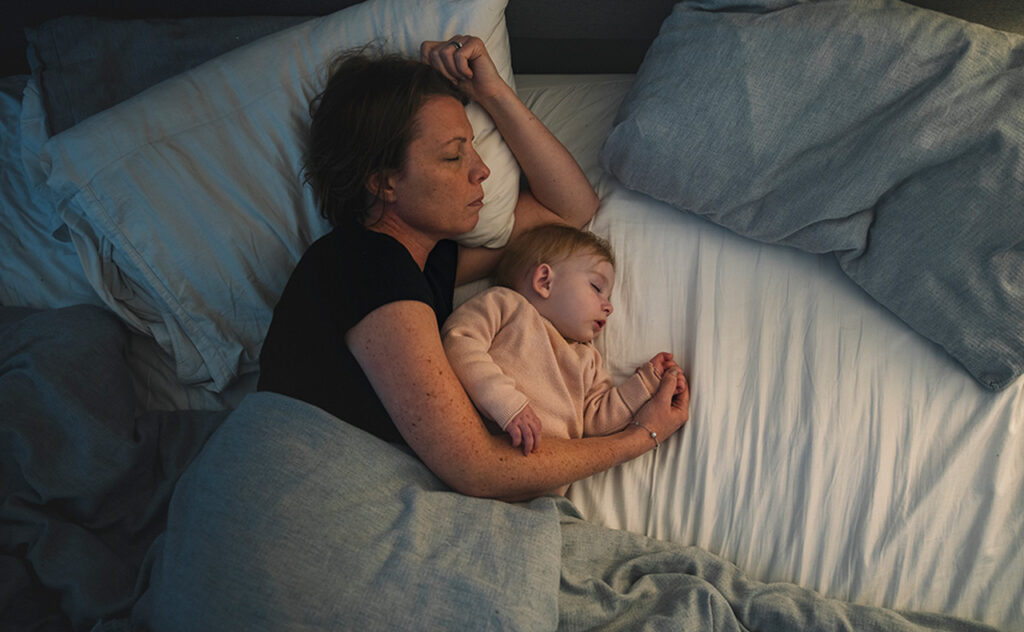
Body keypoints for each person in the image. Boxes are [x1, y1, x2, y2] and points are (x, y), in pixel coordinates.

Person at [258, 35, 689, 501]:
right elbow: (478, 466)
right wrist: (640, 437)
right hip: (295, 490)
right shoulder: (361, 263)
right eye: (453, 154)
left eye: (473, 146)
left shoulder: (428, 266)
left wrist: (494, 93)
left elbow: (570, 215)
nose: (481, 169)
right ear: (383, 182)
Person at [442, 224, 688, 471]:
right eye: (596, 288)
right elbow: (459, 342)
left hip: (544, 483)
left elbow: (596, 421)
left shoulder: (587, 358)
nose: (609, 307)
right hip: (477, 452)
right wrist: (507, 405)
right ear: (544, 281)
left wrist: (645, 384)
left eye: (610, 298)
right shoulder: (506, 306)